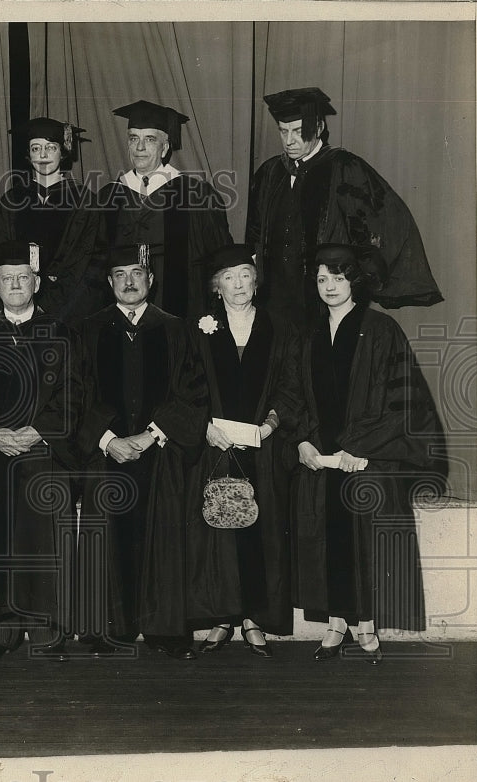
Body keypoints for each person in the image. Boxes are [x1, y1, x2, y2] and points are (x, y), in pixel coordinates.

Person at [293, 244, 446, 664]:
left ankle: (366, 625)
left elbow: (402, 402)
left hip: (368, 459)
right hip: (323, 460)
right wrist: (305, 439)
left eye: (338, 278)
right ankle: (336, 623)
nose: (329, 287)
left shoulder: (381, 329)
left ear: (354, 281)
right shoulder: (310, 333)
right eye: (322, 279)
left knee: (365, 541)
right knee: (331, 541)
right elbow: (297, 397)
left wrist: (354, 448)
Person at [0, 241, 82, 662]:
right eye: (6, 279)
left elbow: (76, 392)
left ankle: (47, 629)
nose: (14, 285)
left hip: (44, 452)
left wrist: (38, 431)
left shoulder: (61, 331)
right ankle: (1, 631)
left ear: (36, 283)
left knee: (44, 541)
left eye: (22, 278)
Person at [77, 244, 209, 660]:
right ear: (110, 282)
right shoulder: (88, 329)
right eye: (120, 274)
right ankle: (106, 629)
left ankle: (165, 630)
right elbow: (75, 394)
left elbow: (192, 391)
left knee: (163, 540)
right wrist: (108, 439)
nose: (129, 281)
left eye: (137, 273)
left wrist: (152, 434)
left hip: (161, 454)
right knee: (107, 539)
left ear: (151, 280)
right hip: (107, 455)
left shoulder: (174, 328)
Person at [184, 243, 302, 658]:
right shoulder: (197, 328)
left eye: (245, 276)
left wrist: (270, 424)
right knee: (217, 529)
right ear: (217, 286)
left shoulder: (279, 327)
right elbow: (186, 387)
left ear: (256, 281)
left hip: (262, 449)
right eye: (229, 278)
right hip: (214, 446)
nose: (238, 284)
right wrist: (206, 428)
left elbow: (292, 384)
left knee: (261, 530)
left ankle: (253, 619)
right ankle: (222, 617)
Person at [246, 87, 443, 330]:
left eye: (298, 132)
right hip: (275, 296)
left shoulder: (344, 168)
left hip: (324, 294)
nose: (289, 141)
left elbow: (381, 220)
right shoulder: (270, 172)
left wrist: (355, 273)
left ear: (318, 128)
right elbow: (255, 231)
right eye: (283, 131)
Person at [97, 100, 231, 319]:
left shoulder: (196, 195)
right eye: (133, 139)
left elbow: (216, 259)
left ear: (165, 147)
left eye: (149, 139)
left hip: (180, 305)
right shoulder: (107, 196)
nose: (139, 148)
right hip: (122, 306)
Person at [0, 117, 104, 323]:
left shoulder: (84, 201)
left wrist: (48, 303)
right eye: (35, 148)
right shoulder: (11, 200)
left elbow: (84, 258)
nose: (42, 155)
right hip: (18, 302)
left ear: (63, 152)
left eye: (51, 147)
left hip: (70, 305)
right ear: (28, 154)